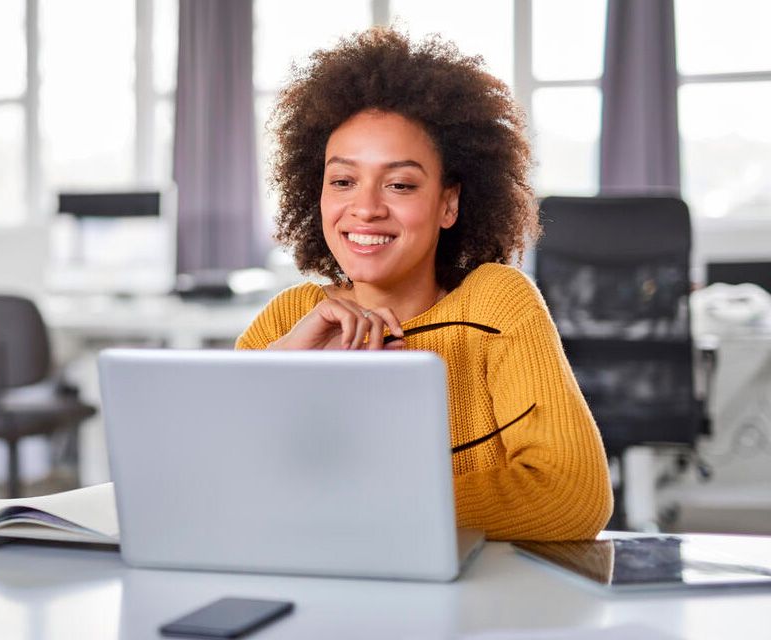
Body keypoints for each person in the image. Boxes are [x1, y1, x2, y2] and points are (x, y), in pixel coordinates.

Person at [235, 28, 613, 541]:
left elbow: (570, 494)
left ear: (448, 203)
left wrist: (351, 507)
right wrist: (277, 375)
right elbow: (220, 491)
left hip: (476, 591)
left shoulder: (497, 305)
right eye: (343, 181)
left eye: (400, 184)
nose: (366, 208)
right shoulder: (289, 320)